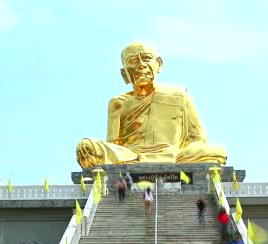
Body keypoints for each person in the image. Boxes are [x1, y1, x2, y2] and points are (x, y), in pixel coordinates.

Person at [76, 42, 226, 168]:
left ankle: (148, 160)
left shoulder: (179, 95)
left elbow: (198, 140)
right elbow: (114, 147)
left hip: (173, 155)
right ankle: (140, 160)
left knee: (217, 152)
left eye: (146, 58)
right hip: (131, 155)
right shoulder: (118, 103)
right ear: (124, 74)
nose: (141, 65)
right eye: (133, 61)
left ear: (158, 64)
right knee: (86, 148)